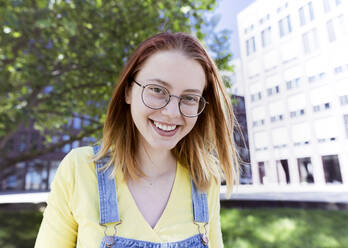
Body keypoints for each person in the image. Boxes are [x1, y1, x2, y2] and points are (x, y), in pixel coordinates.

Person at [34, 32, 239, 248]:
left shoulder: (205, 179)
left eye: (189, 98)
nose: (171, 112)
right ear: (128, 91)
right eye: (157, 90)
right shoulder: (79, 169)